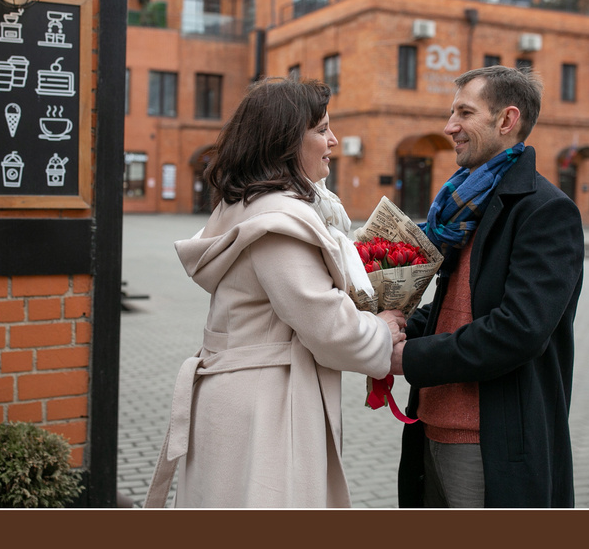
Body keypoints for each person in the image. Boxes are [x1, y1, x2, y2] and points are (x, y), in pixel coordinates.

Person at [149, 79, 402, 507]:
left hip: (241, 398)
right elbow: (328, 327)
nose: (333, 140)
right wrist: (382, 330)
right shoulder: (279, 222)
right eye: (322, 129)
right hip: (265, 407)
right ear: (286, 141)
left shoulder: (249, 205)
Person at [395, 65, 583, 507]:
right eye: (451, 112)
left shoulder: (545, 211)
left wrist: (410, 356)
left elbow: (518, 330)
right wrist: (391, 326)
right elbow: (454, 308)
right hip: (430, 423)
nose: (449, 127)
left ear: (506, 120)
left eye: (464, 112)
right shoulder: (462, 207)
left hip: (489, 439)